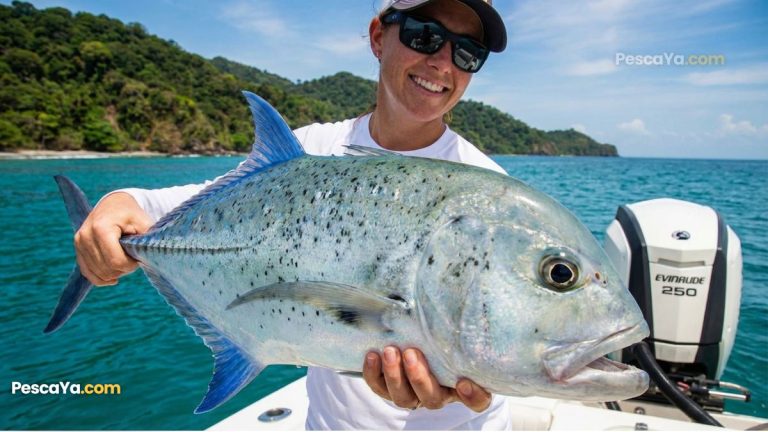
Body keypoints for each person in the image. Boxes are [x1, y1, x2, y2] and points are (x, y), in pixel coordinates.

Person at [75, 0, 511, 429]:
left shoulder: (489, 198)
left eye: (467, 52)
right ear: (379, 36)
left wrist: (478, 383)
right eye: (426, 35)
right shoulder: (311, 153)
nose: (442, 62)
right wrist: (120, 203)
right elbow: (193, 203)